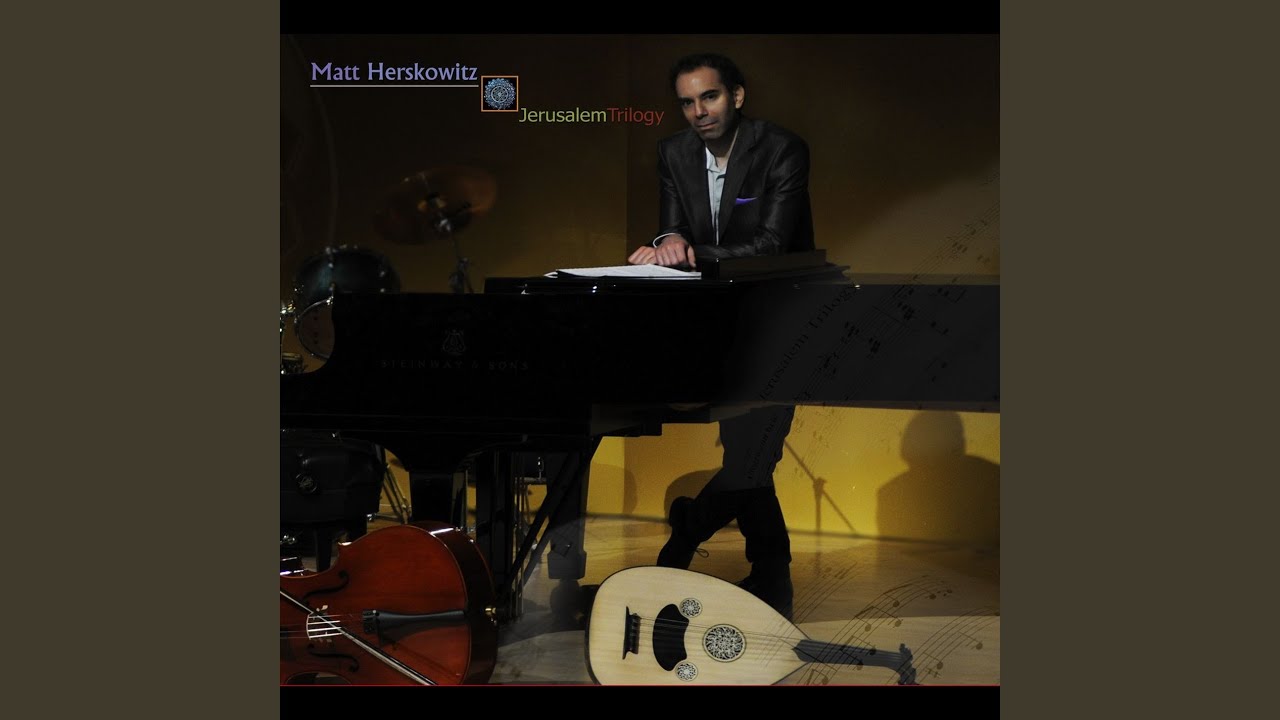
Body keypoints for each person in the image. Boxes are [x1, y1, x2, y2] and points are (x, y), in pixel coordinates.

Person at [627, 53, 814, 619]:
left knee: (752, 456)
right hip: (715, 326)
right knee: (748, 458)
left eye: (708, 97)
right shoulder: (673, 152)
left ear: (736, 96)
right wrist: (664, 241)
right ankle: (769, 579)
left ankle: (691, 535)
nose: (698, 112)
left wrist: (686, 254)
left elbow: (771, 246)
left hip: (779, 320)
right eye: (686, 102)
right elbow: (672, 225)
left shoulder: (781, 148)